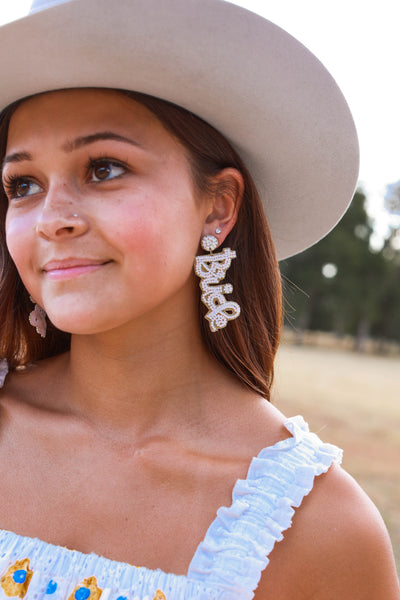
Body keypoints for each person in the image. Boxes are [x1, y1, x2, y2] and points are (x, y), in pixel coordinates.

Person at [0, 1, 398, 599]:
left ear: (218, 206)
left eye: (104, 168)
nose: (51, 219)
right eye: (22, 184)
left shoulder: (321, 532)